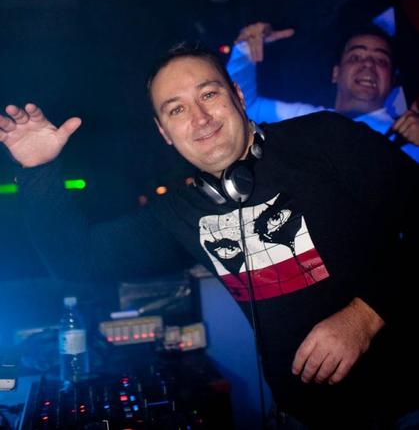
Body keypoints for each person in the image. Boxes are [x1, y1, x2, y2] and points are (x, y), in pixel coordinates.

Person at [0, 43, 418, 429]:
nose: (200, 118)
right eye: (176, 109)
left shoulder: (326, 139)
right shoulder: (181, 212)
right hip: (307, 418)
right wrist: (38, 171)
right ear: (164, 132)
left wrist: (364, 316)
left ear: (237, 95)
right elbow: (78, 260)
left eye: (209, 94)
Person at [227, 22, 419, 161]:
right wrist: (246, 50)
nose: (368, 64)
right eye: (356, 57)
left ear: (392, 80)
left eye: (381, 61)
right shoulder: (308, 118)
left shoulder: (410, 139)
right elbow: (246, 106)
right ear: (336, 73)